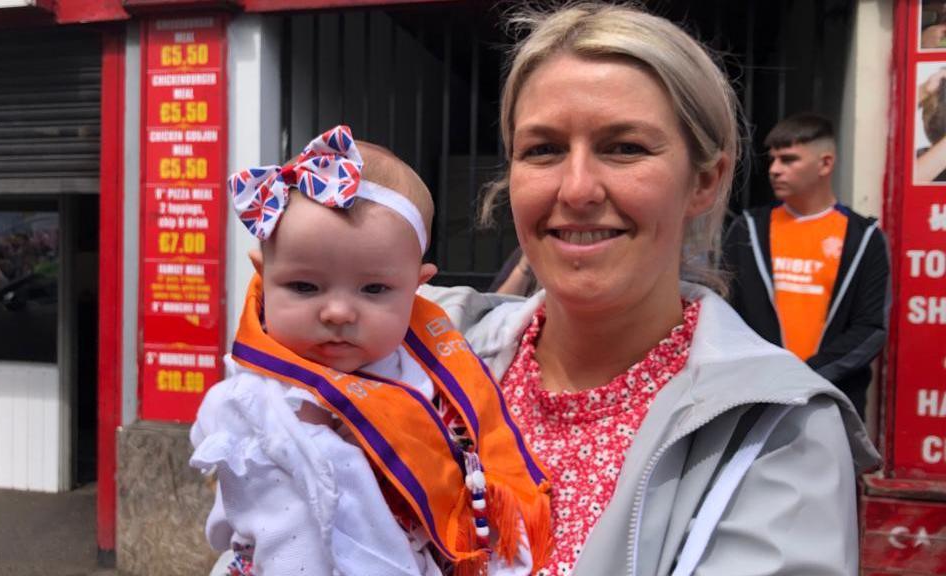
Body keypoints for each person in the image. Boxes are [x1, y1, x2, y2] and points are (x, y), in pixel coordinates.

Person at [419, 4, 881, 575]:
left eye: (625, 148)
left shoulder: (779, 430)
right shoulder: (424, 352)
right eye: (542, 150)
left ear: (705, 181)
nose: (578, 188)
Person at [190, 126, 551, 576]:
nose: (338, 312)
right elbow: (286, 537)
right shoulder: (256, 399)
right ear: (264, 275)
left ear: (418, 288)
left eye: (374, 289)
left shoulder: (436, 369)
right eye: (304, 286)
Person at [723, 113, 890, 419]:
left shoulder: (864, 238)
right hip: (754, 399)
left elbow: (870, 329)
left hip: (830, 404)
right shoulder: (748, 230)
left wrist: (808, 376)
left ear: (825, 164)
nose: (774, 170)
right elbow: (722, 311)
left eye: (788, 160)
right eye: (772, 160)